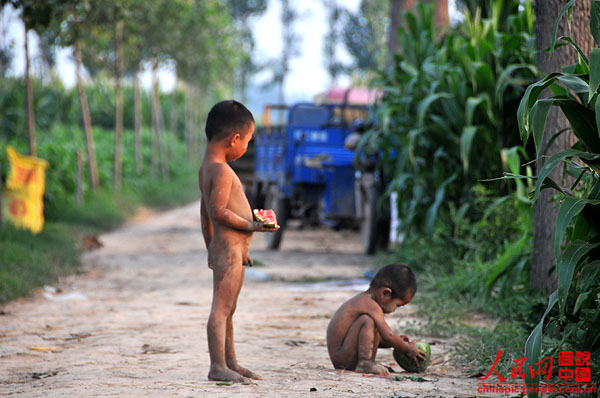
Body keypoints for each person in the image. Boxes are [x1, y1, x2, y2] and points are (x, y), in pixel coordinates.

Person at [199, 100, 278, 382]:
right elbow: (217, 211)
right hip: (229, 251)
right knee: (221, 310)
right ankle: (217, 366)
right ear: (234, 139)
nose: (246, 147)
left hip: (230, 251)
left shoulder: (208, 167)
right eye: (247, 140)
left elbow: (204, 212)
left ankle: (230, 363)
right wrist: (252, 226)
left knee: (228, 308)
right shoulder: (220, 170)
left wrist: (209, 245)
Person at [326, 263, 426, 375]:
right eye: (397, 305)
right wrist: (408, 349)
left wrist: (397, 343)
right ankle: (365, 363)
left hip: (345, 354)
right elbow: (388, 336)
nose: (394, 310)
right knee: (368, 320)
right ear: (386, 293)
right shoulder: (369, 304)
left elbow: (370, 338)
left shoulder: (368, 303)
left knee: (375, 325)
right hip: (342, 356)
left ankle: (367, 362)